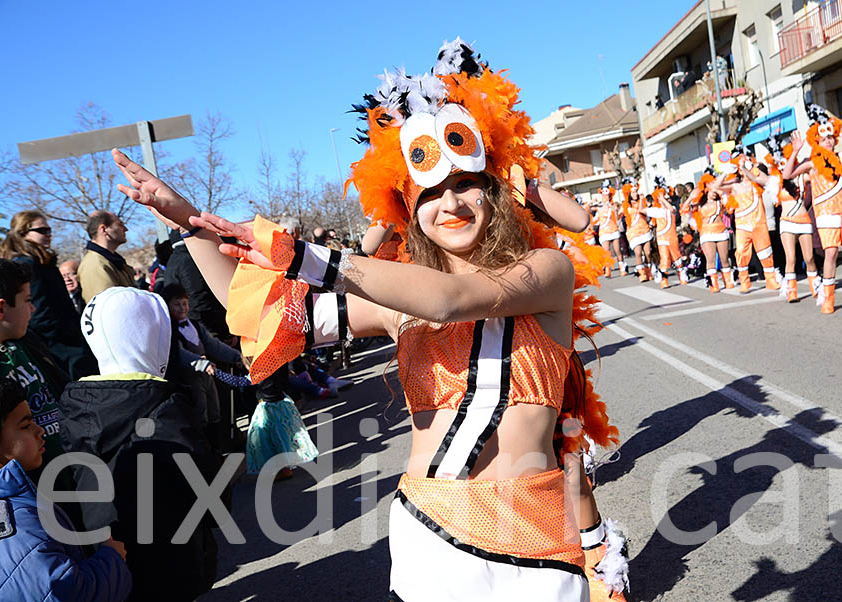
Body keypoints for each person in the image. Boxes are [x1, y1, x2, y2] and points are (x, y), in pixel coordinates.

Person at [112, 38, 628, 601]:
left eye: (465, 186)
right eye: (429, 193)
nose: (450, 203)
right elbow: (263, 309)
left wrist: (306, 257)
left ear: (494, 192)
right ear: (409, 210)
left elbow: (451, 298)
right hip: (432, 540)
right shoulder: (392, 300)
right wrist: (190, 221)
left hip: (534, 541)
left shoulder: (545, 271)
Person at [58, 287, 223, 601]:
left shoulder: (76, 407)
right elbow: (207, 493)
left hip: (110, 565)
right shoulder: (167, 409)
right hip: (171, 560)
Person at [0, 376, 133, 601]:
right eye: (26, 425)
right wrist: (111, 558)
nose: (40, 431)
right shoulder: (12, 522)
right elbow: (62, 591)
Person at [784, 104, 842, 313]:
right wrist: (796, 151)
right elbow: (788, 174)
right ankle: (828, 298)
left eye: (831, 138)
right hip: (826, 214)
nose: (829, 141)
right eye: (824, 139)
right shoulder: (811, 163)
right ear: (817, 141)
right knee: (832, 253)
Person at [0, 258, 70, 484]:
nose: (33, 308)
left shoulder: (26, 343)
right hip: (33, 488)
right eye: (27, 300)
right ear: (1, 309)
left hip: (66, 467)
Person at [0, 211, 96, 379]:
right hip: (60, 348)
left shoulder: (41, 261)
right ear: (23, 233)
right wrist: (67, 335)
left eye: (49, 230)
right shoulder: (26, 264)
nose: (49, 234)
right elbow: (39, 311)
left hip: (65, 343)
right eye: (42, 230)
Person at [160, 282, 241, 447]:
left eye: (185, 303)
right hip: (190, 380)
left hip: (207, 377)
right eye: (176, 304)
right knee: (200, 414)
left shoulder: (195, 325)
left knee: (214, 411)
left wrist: (237, 357)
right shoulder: (169, 331)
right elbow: (179, 353)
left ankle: (217, 449)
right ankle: (204, 453)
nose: (182, 308)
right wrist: (202, 364)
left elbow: (213, 345)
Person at [746, 136, 818, 302]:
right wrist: (743, 167)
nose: (785, 164)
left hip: (804, 221)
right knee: (790, 258)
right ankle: (791, 291)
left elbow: (815, 168)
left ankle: (816, 287)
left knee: (809, 258)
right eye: (782, 162)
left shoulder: (802, 177)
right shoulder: (775, 181)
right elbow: (756, 178)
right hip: (787, 223)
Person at [716, 146, 781, 293]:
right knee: (741, 253)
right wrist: (726, 171)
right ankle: (745, 281)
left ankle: (771, 279)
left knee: (765, 251)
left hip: (759, 222)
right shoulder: (734, 184)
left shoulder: (755, 180)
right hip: (742, 225)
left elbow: (768, 180)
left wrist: (749, 168)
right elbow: (716, 186)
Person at [163, 228, 229, 338]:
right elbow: (199, 298)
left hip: (193, 328)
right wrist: (223, 332)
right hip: (207, 329)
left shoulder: (172, 262)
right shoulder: (189, 260)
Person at [685, 167, 733, 292]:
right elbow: (684, 209)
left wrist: (719, 187)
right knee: (710, 259)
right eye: (711, 189)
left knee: (724, 259)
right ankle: (714, 283)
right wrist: (691, 197)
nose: (713, 192)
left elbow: (731, 205)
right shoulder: (699, 204)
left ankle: (727, 280)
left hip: (721, 232)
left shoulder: (721, 202)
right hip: (706, 234)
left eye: (715, 190)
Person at [77, 210, 135, 303]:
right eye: (120, 224)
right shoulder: (94, 265)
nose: (125, 229)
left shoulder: (113, 261)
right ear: (104, 229)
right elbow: (110, 308)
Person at [642, 177, 688, 288]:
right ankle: (664, 280)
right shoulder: (656, 211)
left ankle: (682, 275)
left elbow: (672, 210)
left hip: (672, 237)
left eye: (668, 199)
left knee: (676, 257)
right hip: (662, 238)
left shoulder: (671, 208)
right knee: (665, 258)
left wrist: (663, 200)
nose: (667, 200)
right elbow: (642, 211)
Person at [624, 183, 654, 282]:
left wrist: (641, 200)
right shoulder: (626, 205)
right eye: (633, 192)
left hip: (644, 228)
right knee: (637, 252)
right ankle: (642, 274)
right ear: (629, 193)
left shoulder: (642, 201)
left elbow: (642, 211)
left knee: (648, 252)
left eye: (636, 191)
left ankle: (648, 270)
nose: (635, 193)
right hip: (633, 232)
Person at [600, 180, 627, 277]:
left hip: (613, 230)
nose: (605, 197)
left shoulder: (613, 206)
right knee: (606, 251)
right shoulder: (599, 206)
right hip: (604, 232)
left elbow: (616, 219)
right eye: (604, 195)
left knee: (617, 250)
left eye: (607, 195)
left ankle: (622, 267)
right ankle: (608, 270)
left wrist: (615, 211)